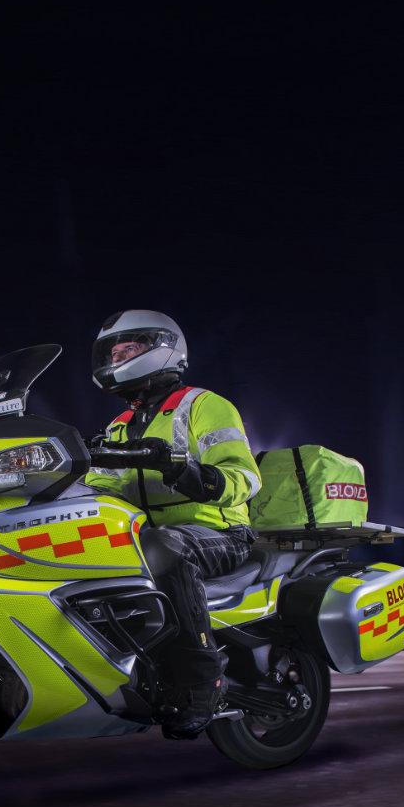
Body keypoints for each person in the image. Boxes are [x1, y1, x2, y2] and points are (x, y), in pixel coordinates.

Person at [82, 309, 261, 739]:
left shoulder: (203, 405)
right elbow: (102, 488)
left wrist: (183, 469)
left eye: (130, 347)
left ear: (164, 348)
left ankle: (203, 681)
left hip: (219, 534)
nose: (119, 355)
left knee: (165, 547)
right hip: (145, 537)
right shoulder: (119, 426)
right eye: (114, 350)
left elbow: (245, 478)